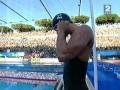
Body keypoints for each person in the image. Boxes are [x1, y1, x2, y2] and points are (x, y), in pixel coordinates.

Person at [53, 13, 94, 90]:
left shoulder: (84, 29)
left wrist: (61, 31)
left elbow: (61, 56)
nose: (57, 32)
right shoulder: (72, 40)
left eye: (57, 29)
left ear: (62, 24)